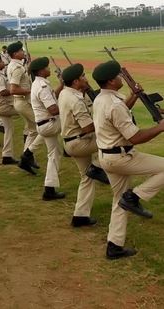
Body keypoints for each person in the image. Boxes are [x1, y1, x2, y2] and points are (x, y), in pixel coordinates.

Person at [92, 60, 164, 259]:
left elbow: (119, 112)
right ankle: (135, 196)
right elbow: (135, 137)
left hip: (107, 156)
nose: (121, 77)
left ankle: (114, 246)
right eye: (118, 76)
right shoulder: (114, 105)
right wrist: (160, 127)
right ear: (111, 80)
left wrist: (133, 96)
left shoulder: (102, 98)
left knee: (119, 201)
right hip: (122, 157)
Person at [58, 63, 109, 227]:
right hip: (80, 142)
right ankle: (96, 166)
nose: (86, 79)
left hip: (71, 141)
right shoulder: (76, 99)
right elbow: (88, 127)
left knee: (86, 178)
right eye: (83, 76)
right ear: (75, 81)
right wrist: (106, 121)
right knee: (119, 140)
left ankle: (80, 216)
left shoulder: (65, 93)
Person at [29, 57, 66, 200]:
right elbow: (53, 109)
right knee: (80, 126)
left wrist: (62, 85)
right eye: (47, 67)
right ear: (41, 71)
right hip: (50, 123)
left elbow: (52, 98)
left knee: (54, 155)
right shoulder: (42, 87)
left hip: (45, 124)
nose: (49, 69)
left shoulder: (38, 83)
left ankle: (49, 189)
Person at [7, 41, 44, 175]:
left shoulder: (15, 65)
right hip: (23, 102)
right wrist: (31, 91)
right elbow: (13, 89)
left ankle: (26, 158)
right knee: (43, 127)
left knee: (32, 130)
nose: (23, 52)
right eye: (21, 51)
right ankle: (27, 156)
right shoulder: (16, 68)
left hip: (21, 102)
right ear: (16, 53)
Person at [0, 54, 19, 164]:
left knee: (9, 130)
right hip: (4, 106)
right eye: (1, 61)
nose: (3, 62)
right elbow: (3, 92)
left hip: (1, 106)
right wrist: (15, 90)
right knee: (25, 110)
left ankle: (7, 155)